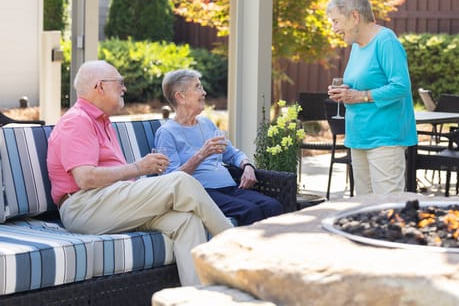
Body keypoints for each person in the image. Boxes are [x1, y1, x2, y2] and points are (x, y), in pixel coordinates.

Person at [47, 60, 233, 287]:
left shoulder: (102, 122)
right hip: (85, 206)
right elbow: (85, 178)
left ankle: (196, 298)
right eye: (120, 83)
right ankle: (237, 245)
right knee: (180, 182)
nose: (124, 88)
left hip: (110, 200)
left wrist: (140, 176)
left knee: (187, 221)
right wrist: (138, 168)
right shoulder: (77, 121)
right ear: (100, 87)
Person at [154, 69, 283, 226]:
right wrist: (201, 154)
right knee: (250, 211)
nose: (204, 92)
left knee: (273, 206)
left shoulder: (206, 124)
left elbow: (232, 154)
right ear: (180, 97)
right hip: (202, 193)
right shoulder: (166, 132)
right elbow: (171, 181)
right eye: (198, 87)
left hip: (229, 187)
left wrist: (248, 165)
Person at [326, 0, 417, 195]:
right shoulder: (358, 46)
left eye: (336, 21)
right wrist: (346, 92)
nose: (334, 28)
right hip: (359, 137)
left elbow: (401, 86)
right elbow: (364, 83)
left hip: (384, 139)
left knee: (387, 207)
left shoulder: (386, 41)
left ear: (355, 16)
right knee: (363, 207)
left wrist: (361, 96)